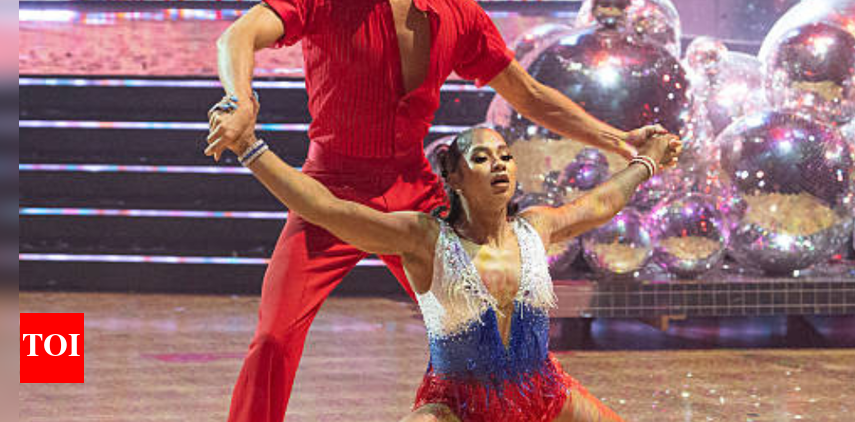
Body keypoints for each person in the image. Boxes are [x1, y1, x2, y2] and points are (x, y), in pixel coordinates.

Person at [203, 0, 680, 421]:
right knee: (275, 339)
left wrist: (620, 140)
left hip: (417, 193)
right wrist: (241, 100)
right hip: (330, 189)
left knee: (486, 324)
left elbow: (528, 94)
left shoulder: (454, 9)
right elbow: (240, 36)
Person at [220, 126, 678, 421]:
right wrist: (250, 148)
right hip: (458, 407)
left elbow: (600, 203)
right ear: (454, 179)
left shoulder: (536, 227)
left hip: (544, 392)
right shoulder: (426, 239)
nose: (498, 164)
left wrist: (648, 161)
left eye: (504, 155)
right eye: (481, 158)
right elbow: (325, 208)